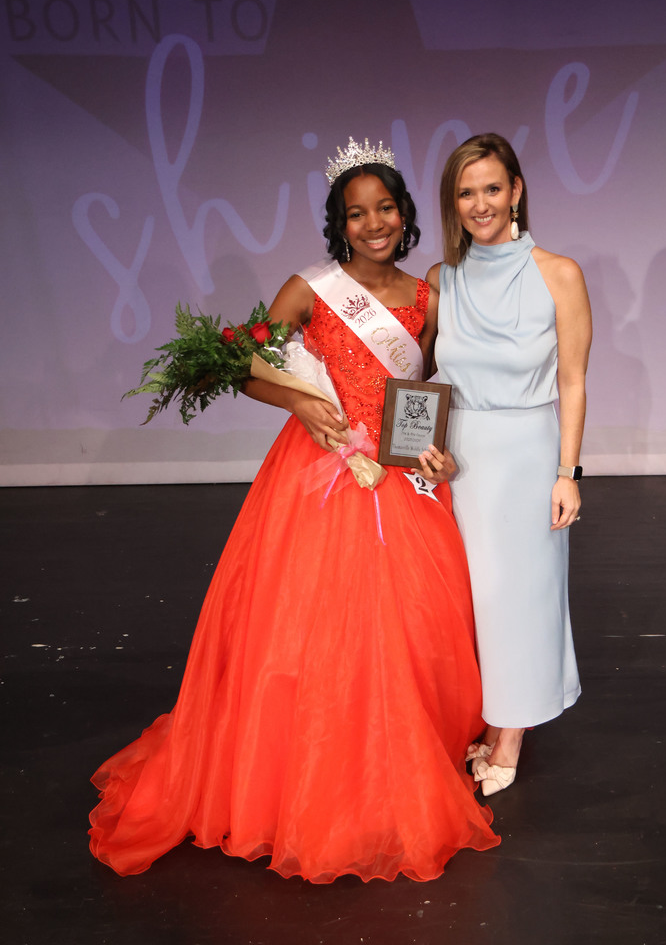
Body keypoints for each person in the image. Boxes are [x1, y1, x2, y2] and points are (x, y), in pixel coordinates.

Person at [89, 137, 500, 883]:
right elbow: (245, 366)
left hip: (400, 475)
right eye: (356, 214)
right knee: (310, 623)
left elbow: (426, 388)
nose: (372, 223)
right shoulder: (309, 288)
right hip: (319, 470)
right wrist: (303, 402)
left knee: (410, 618)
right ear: (338, 224)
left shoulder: (427, 297)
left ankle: (401, 747)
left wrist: (432, 449)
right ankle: (308, 766)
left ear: (404, 214)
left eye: (384, 209)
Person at [427, 133, 592, 797]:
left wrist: (567, 473)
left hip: (526, 454)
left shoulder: (559, 273)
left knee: (517, 597)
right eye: (466, 193)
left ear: (517, 190)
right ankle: (488, 712)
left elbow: (575, 381)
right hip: (460, 459)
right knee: (469, 600)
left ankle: (509, 734)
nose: (480, 204)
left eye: (492, 188)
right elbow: (423, 379)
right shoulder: (444, 280)